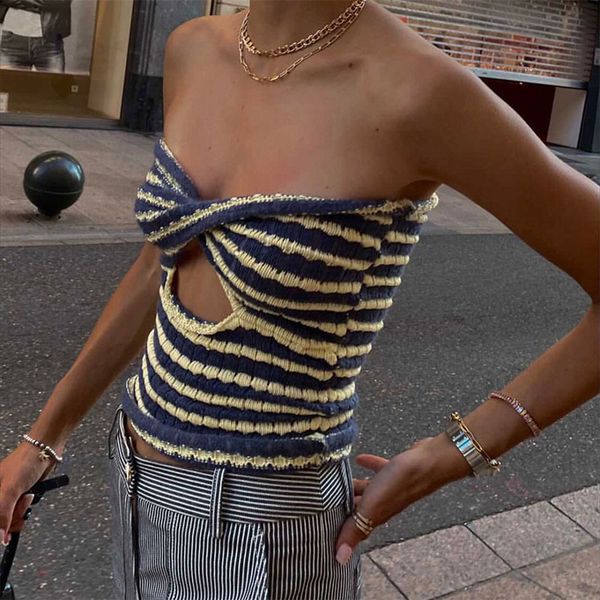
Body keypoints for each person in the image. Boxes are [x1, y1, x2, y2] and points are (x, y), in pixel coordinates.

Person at [0, 1, 598, 598]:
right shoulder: (193, 46)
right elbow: (165, 256)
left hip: (266, 523)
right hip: (133, 466)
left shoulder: (416, 90)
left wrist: (454, 452)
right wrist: (43, 440)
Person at [0, 0, 71, 72]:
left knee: (55, 79)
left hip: (50, 42)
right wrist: (38, 5)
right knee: (8, 79)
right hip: (11, 42)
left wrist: (22, 3)